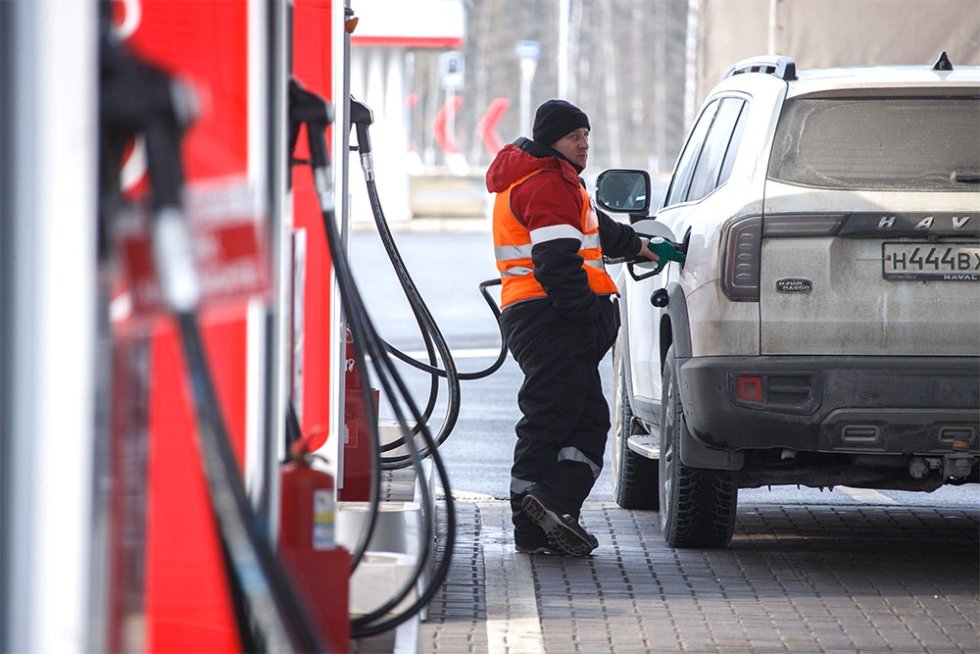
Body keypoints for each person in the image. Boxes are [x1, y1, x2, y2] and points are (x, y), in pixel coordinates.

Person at [486, 99, 658, 556]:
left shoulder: (553, 181)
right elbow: (557, 263)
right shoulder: (546, 184)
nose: (583, 143)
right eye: (573, 137)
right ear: (550, 141)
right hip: (553, 318)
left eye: (586, 135)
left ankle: (551, 515)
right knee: (552, 419)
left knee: (577, 419)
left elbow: (595, 230)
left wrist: (640, 244)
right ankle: (538, 511)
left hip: (542, 316)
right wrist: (586, 314)